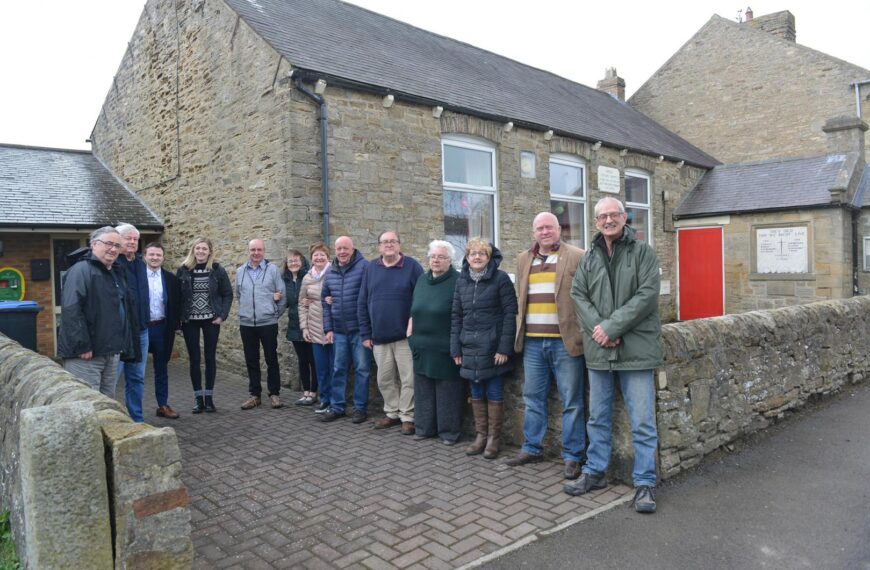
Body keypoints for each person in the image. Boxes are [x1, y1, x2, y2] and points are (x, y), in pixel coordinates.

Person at [565, 197, 663, 515]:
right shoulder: (590, 257)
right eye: (602, 216)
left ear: (625, 218)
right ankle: (595, 472)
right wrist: (601, 329)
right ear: (595, 223)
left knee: (643, 422)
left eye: (614, 215)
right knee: (598, 418)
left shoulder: (644, 252)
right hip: (599, 350)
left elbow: (647, 295)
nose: (608, 220)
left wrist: (613, 326)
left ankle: (645, 483)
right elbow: (578, 294)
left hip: (635, 350)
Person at [507, 212, 587, 480]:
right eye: (539, 228)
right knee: (532, 398)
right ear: (534, 232)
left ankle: (572, 456)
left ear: (558, 229)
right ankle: (532, 448)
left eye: (549, 227)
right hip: (532, 342)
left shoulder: (577, 255)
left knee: (572, 401)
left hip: (565, 342)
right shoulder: (523, 259)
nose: (544, 232)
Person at [451, 238, 517, 459]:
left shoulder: (501, 279)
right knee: (476, 392)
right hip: (469, 346)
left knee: (494, 392)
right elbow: (456, 316)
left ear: (489, 258)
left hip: (493, 347)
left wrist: (504, 348)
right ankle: (481, 435)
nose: (477, 257)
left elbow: (510, 316)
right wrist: (456, 349)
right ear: (467, 258)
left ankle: (493, 439)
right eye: (473, 254)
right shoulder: (462, 282)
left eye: (482, 254)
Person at [58, 226, 138, 396]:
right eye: (108, 243)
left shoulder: (115, 272)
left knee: (107, 404)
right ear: (94, 244)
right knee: (88, 403)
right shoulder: (80, 270)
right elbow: (72, 309)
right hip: (86, 354)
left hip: (110, 351)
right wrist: (82, 346)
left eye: (117, 245)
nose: (113, 249)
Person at [358, 231, 423, 435]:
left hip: (405, 336)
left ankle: (408, 416)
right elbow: (362, 302)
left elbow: (421, 298)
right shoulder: (370, 268)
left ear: (399, 245)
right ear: (379, 247)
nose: (388, 245)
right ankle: (392, 412)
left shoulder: (412, 266)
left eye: (392, 241)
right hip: (379, 336)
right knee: (384, 379)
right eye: (385, 242)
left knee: (408, 379)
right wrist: (366, 334)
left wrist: (415, 325)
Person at [408, 240, 463, 445]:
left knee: (448, 392)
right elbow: (415, 306)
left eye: (441, 257)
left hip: (445, 346)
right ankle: (424, 428)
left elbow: (462, 314)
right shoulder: (422, 280)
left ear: (450, 260)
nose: (436, 260)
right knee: (423, 391)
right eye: (433, 256)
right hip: (421, 345)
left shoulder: (458, 280)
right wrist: (411, 330)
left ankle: (449, 432)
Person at [177, 237, 233, 413]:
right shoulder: (184, 270)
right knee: (194, 359)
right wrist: (178, 320)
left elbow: (227, 294)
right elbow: (177, 297)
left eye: (204, 249)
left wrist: (222, 316)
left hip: (211, 320)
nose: (201, 251)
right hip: (190, 321)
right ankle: (197, 398)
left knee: (210, 358)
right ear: (193, 250)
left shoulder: (217, 270)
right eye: (197, 248)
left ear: (209, 251)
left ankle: (208, 398)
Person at [320, 236, 371, 423]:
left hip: (359, 330)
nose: (342, 252)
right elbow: (325, 300)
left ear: (353, 249)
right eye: (339, 248)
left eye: (345, 248)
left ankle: (360, 408)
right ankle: (337, 407)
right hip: (339, 330)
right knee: (338, 369)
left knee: (362, 369)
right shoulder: (331, 271)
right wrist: (328, 329)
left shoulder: (365, 267)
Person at [237, 238, 287, 409]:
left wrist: (273, 314)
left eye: (259, 250)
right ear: (248, 251)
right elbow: (239, 295)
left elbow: (282, 295)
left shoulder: (272, 270)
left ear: (264, 251)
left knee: (271, 359)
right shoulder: (240, 271)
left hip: (268, 323)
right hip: (247, 324)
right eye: (253, 250)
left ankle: (274, 394)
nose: (256, 253)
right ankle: (255, 395)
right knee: (251, 360)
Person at [115, 223, 150, 423]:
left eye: (135, 239)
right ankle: (109, 419)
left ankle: (137, 419)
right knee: (112, 379)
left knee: (137, 377)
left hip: (141, 331)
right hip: (120, 332)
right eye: (128, 238)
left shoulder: (140, 263)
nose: (132, 242)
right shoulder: (113, 264)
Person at [143, 242, 182, 419]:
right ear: (144, 256)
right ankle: (132, 411)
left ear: (163, 258)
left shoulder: (170, 279)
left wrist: (176, 326)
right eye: (151, 254)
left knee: (161, 369)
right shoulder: (136, 277)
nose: (155, 258)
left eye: (158, 255)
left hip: (162, 328)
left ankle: (162, 405)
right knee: (134, 370)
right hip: (141, 328)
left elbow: (176, 303)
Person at [299, 243, 333, 411]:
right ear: (311, 258)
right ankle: (324, 400)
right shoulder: (307, 278)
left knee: (335, 368)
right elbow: (302, 304)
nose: (319, 258)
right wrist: (304, 327)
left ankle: (335, 402)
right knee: (321, 370)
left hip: (332, 330)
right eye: (315, 255)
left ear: (328, 257)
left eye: (322, 255)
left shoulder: (334, 273)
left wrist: (332, 300)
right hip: (314, 330)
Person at [283, 249, 317, 404]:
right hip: (294, 326)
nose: (293, 263)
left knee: (313, 360)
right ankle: (306, 391)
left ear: (302, 261)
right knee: (302, 360)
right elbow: (285, 302)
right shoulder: (285, 280)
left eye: (296, 260)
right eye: (290, 261)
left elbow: (318, 294)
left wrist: (312, 301)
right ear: (286, 264)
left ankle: (314, 391)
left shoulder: (309, 277)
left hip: (310, 325)